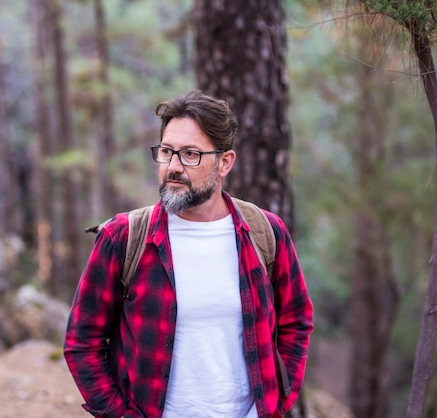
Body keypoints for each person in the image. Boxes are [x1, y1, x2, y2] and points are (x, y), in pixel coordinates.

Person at [64, 90, 314, 418]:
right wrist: (118, 414)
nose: (174, 167)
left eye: (191, 154)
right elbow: (83, 343)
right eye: (167, 152)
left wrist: (278, 403)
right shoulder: (123, 238)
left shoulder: (265, 233)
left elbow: (296, 322)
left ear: (224, 162)